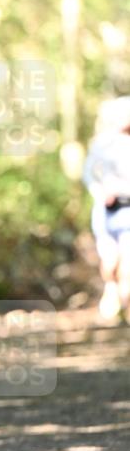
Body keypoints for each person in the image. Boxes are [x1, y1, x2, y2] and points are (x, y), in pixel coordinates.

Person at [82, 96, 130, 321]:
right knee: (110, 261)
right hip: (107, 210)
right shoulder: (103, 143)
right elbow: (89, 173)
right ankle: (111, 288)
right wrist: (100, 192)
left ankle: (126, 305)